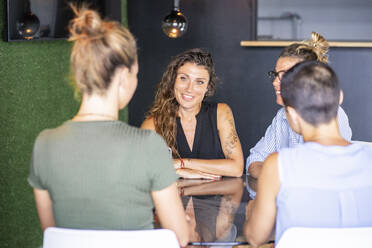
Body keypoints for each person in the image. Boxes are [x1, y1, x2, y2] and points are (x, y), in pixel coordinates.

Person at [27, 5, 189, 246]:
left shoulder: (44, 144)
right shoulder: (148, 146)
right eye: (136, 74)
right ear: (124, 76)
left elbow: (53, 234)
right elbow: (180, 237)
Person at [244, 61, 372, 246]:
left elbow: (255, 238)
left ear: (292, 115)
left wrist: (252, 210)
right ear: (340, 98)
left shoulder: (277, 165)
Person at [246, 32, 352, 178]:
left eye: (284, 75)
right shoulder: (282, 116)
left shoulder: (332, 116)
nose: (275, 82)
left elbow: (325, 172)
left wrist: (273, 171)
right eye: (275, 74)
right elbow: (255, 159)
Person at [141, 48, 244, 179]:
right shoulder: (153, 123)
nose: (189, 89)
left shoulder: (221, 112)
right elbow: (141, 170)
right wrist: (177, 171)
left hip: (218, 198)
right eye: (183, 78)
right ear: (173, 81)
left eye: (199, 82)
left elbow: (236, 168)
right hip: (173, 199)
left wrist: (182, 163)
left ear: (207, 87)